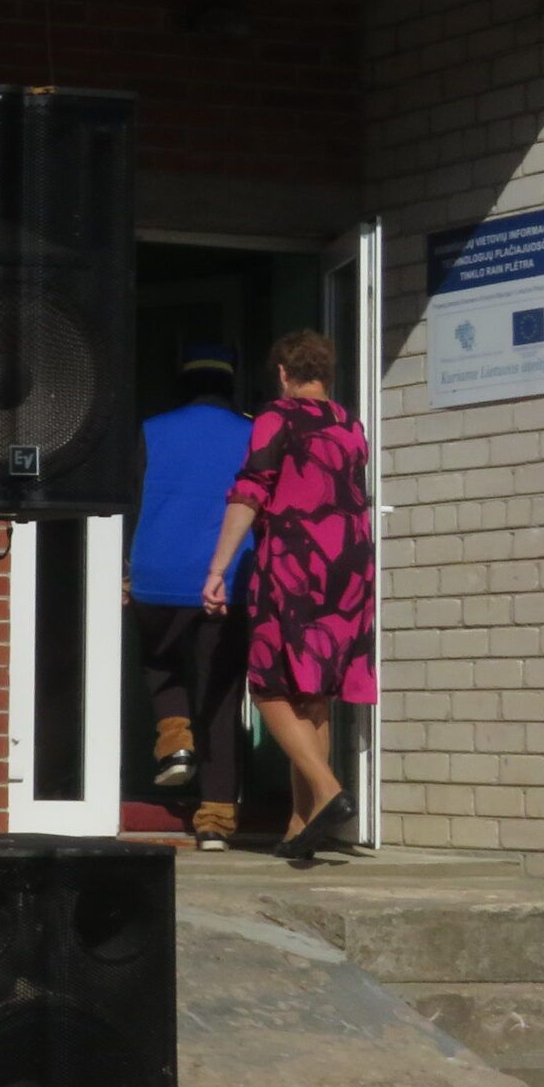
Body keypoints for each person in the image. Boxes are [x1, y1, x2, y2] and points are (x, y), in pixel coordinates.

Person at [203, 328, 376, 863]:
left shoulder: (278, 417)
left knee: (268, 684)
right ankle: (301, 825)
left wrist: (218, 568)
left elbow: (251, 491)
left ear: (282, 373)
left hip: (297, 558)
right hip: (349, 562)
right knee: (313, 690)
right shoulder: (350, 424)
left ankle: (327, 791)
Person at [128, 343, 254, 850]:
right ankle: (215, 820)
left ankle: (176, 741)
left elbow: (131, 500)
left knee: (159, 661)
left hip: (156, 571)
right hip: (229, 579)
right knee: (221, 693)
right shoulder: (252, 433)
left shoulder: (151, 430)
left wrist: (123, 568)